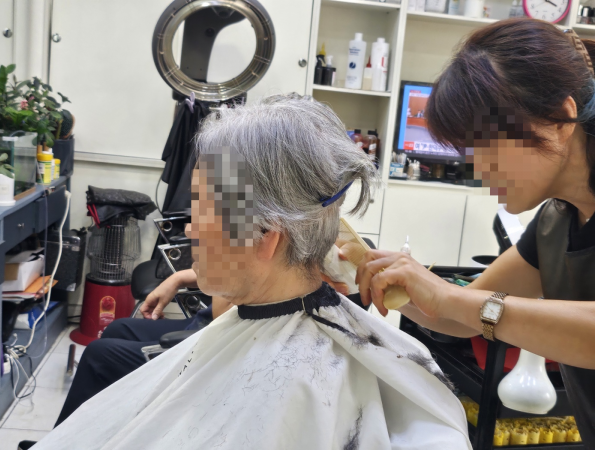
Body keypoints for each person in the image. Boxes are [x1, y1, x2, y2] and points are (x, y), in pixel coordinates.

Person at [32, 94, 471, 449]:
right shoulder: (271, 313)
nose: (190, 228)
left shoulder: (304, 387)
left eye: (202, 208)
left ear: (265, 236)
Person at [357, 19, 595, 449]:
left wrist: (451, 297)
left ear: (561, 118)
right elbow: (459, 319)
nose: (479, 170)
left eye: (487, 147)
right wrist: (382, 275)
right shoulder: (555, 223)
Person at [53, 269, 232, 426]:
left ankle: (62, 443)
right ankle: (103, 430)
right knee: (118, 329)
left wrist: (218, 266)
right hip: (204, 321)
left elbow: (225, 312)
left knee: (98, 356)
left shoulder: (242, 246)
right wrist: (178, 278)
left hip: (215, 339)